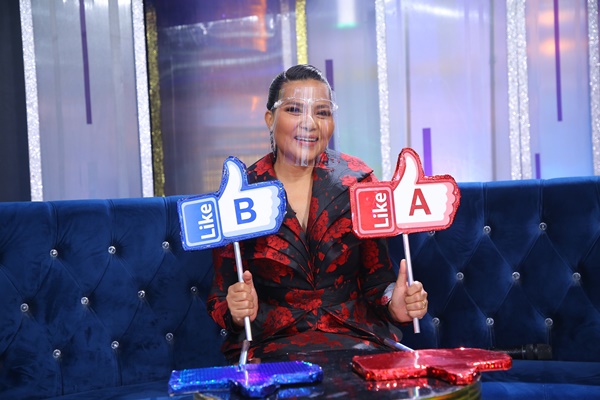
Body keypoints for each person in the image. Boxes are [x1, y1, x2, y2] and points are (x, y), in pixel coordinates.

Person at [207, 64, 428, 363]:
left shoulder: (359, 182)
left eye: (322, 112)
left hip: (356, 340)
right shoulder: (240, 192)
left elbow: (378, 283)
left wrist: (394, 303)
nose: (309, 123)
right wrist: (236, 311)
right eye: (294, 110)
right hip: (272, 346)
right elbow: (220, 296)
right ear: (270, 118)